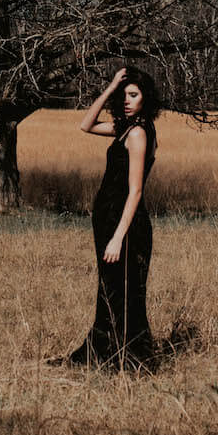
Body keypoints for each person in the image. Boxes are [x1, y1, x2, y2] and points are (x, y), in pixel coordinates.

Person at [61, 65, 161, 370]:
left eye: (134, 94)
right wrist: (110, 86)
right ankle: (103, 353)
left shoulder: (139, 134)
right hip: (107, 219)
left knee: (125, 290)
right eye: (124, 95)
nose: (128, 100)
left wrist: (118, 237)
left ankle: (132, 359)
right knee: (109, 288)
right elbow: (86, 125)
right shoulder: (125, 128)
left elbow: (135, 191)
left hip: (125, 224)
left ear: (146, 98)